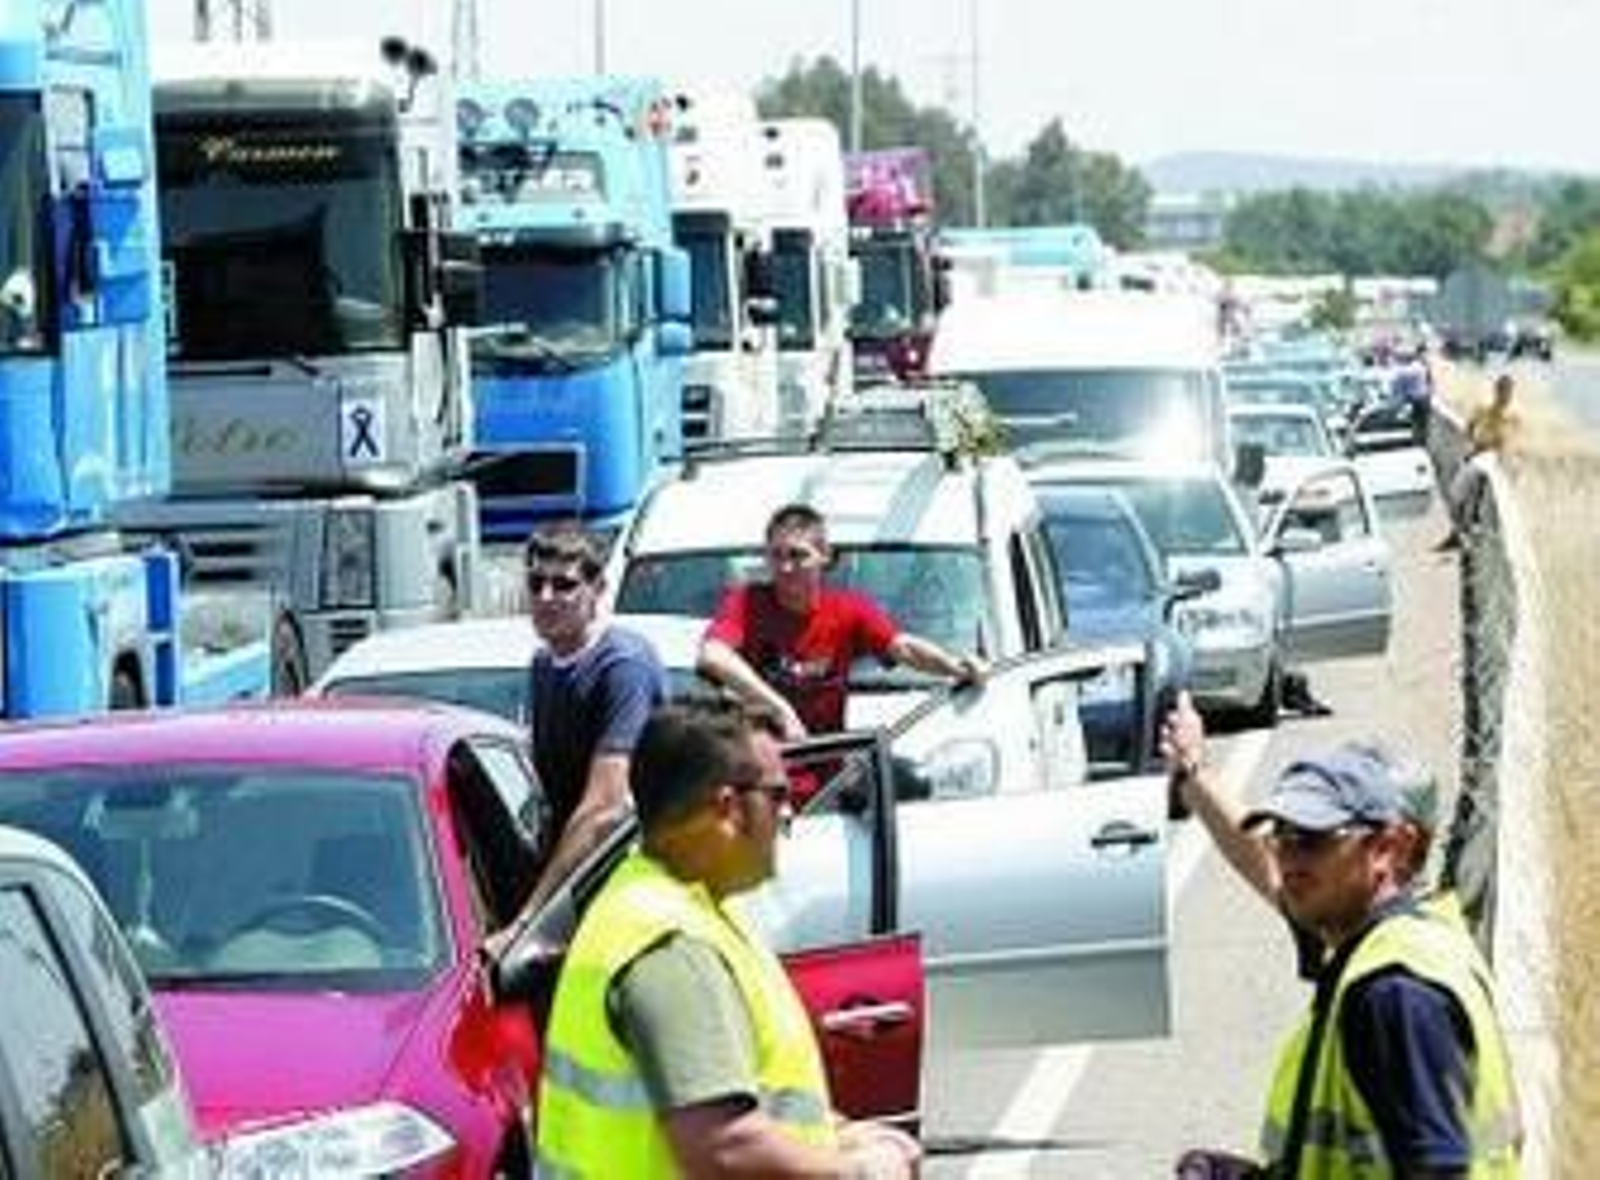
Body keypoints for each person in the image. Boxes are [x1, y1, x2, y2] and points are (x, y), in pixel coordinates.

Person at [535, 700, 921, 1178]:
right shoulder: (671, 947)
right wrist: (861, 1173)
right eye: (777, 796)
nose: (789, 814)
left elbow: (759, 1105)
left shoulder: (672, 907)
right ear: (726, 808)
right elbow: (724, 1147)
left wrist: (841, 1137)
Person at [1161, 692, 1522, 1177]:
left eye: (1312, 839)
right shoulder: (1416, 936)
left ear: (1390, 848)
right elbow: (1267, 868)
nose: (1288, 858)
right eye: (1281, 835)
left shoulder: (1395, 993)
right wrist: (1193, 774)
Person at [698, 502, 986, 741]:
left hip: (829, 764)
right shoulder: (746, 602)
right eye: (776, 555)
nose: (785, 567)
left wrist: (957, 667)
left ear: (824, 555)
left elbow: (903, 648)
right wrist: (780, 709)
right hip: (763, 769)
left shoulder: (850, 609)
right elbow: (712, 655)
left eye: (798, 555)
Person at [515, 523, 666, 921]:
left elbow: (605, 806)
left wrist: (530, 918)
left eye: (564, 585)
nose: (546, 597)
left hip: (631, 883)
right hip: (576, 880)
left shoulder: (623, 665)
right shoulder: (543, 664)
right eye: (536, 583)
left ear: (597, 589)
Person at [1437, 373, 1519, 551]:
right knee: (1456, 495)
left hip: (1490, 458)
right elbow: (1469, 427)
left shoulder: (1512, 416)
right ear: (1496, 390)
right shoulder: (1483, 408)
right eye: (1502, 390)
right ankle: (1459, 532)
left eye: (1508, 392)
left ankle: (1464, 532)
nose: (1505, 395)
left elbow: (1507, 444)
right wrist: (1470, 446)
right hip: (1477, 455)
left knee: (1467, 492)